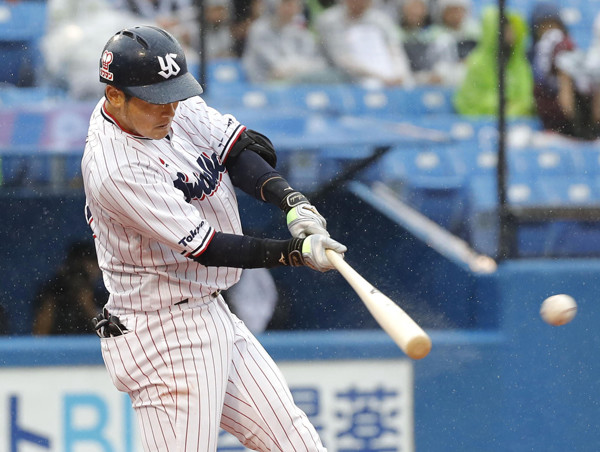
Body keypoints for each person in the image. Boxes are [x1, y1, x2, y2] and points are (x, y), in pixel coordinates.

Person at [82, 25, 346, 451]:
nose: (170, 109)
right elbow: (209, 248)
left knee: (295, 442)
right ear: (115, 96)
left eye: (174, 95)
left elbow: (238, 151)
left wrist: (292, 201)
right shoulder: (115, 166)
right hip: (162, 330)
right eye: (156, 100)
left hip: (209, 310)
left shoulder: (162, 102)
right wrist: (293, 254)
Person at [528, 1, 598, 139]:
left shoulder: (564, 47)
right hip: (556, 125)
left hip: (572, 124)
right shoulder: (533, 56)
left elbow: (569, 98)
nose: (550, 31)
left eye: (554, 25)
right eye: (545, 26)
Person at [453, 6, 534, 117]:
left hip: (517, 125)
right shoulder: (477, 63)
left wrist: (513, 108)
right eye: (505, 29)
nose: (511, 33)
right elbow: (470, 101)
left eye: (512, 28)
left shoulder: (520, 64)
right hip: (484, 124)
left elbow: (527, 98)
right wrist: (506, 105)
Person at [314, 0, 414, 87]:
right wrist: (381, 77)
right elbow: (341, 59)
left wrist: (399, 74)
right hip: (344, 76)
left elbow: (396, 51)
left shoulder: (381, 20)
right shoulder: (329, 21)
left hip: (385, 76)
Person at [242, 0, 332, 84]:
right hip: (263, 84)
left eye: (295, 4)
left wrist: (297, 67)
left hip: (294, 82)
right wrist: (299, 67)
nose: (293, 8)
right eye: (287, 4)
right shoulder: (259, 30)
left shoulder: (298, 30)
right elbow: (277, 67)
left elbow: (318, 62)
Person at [32, 240, 108, 335]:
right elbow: (39, 334)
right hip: (57, 346)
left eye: (93, 263)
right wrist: (50, 303)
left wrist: (88, 306)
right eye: (79, 267)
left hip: (91, 347)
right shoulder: (54, 292)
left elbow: (109, 334)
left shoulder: (100, 296)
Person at [423, 0, 480, 86]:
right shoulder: (431, 34)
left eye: (458, 10)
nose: (455, 15)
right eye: (451, 11)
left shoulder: (475, 32)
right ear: (442, 12)